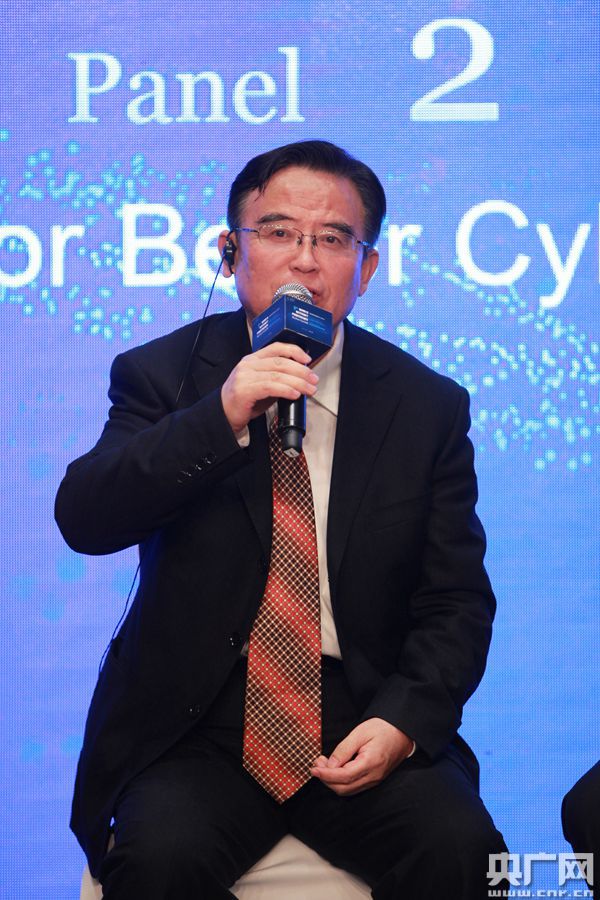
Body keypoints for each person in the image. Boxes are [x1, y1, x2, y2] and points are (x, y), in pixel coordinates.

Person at [56, 139, 507, 899]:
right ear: (230, 252)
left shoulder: (425, 405)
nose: (305, 260)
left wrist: (402, 723)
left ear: (366, 268)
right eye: (278, 232)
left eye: (332, 239)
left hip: (359, 713)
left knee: (463, 852)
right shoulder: (163, 375)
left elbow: (456, 602)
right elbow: (86, 518)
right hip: (198, 724)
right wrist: (222, 414)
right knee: (157, 862)